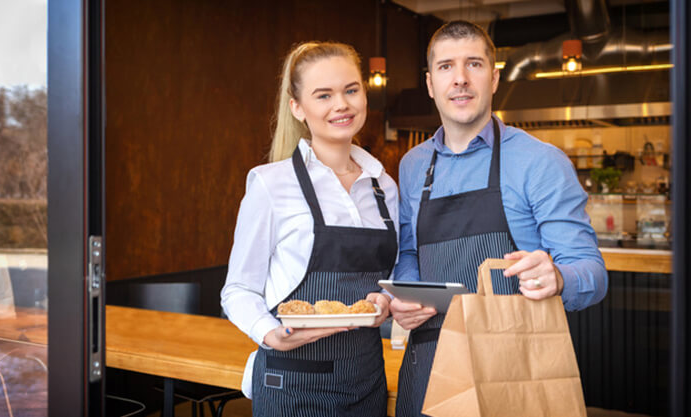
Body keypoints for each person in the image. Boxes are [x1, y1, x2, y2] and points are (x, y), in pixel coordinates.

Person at [389, 21, 609, 417]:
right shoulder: (412, 166)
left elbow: (592, 272)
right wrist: (407, 295)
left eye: (473, 64)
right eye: (446, 67)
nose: (460, 79)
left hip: (516, 370)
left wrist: (558, 277)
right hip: (429, 365)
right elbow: (408, 252)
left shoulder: (539, 162)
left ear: (493, 78)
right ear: (429, 83)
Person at [221, 41, 397, 417]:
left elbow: (389, 279)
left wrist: (385, 301)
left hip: (366, 380)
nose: (342, 105)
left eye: (351, 90)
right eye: (324, 95)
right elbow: (237, 289)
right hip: (292, 383)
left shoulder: (384, 187)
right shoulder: (271, 184)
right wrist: (271, 335)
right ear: (297, 107)